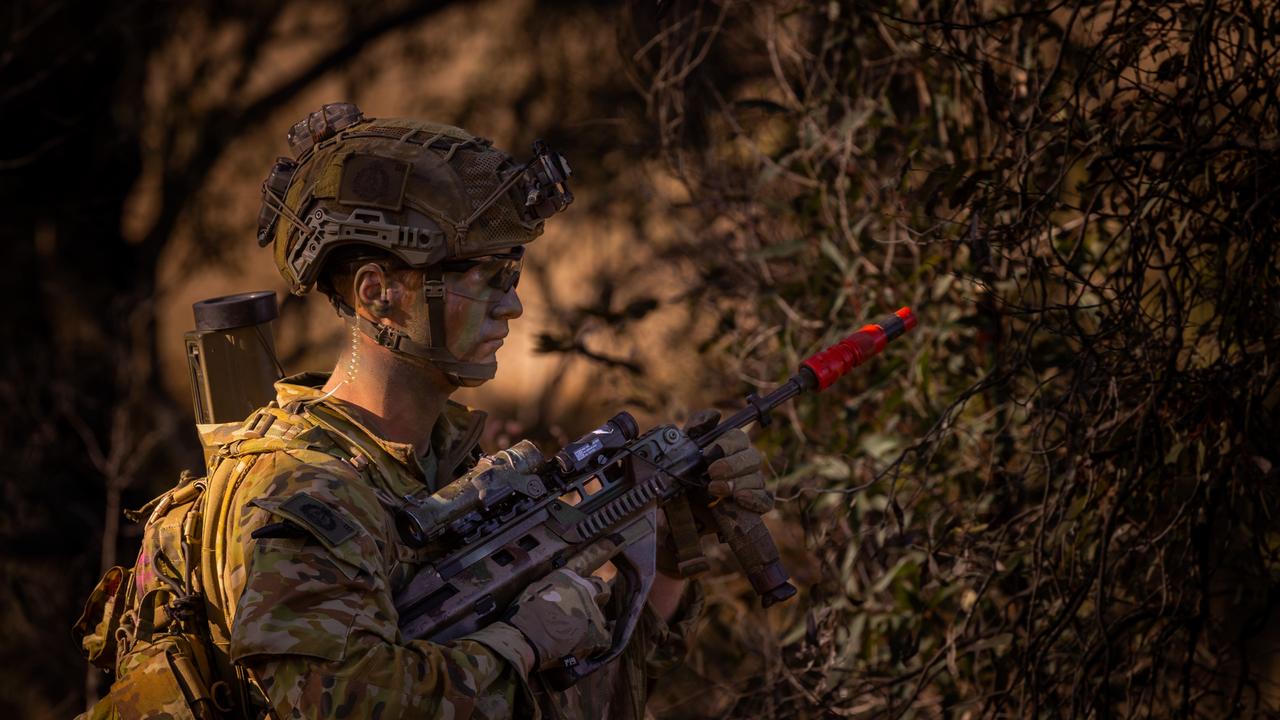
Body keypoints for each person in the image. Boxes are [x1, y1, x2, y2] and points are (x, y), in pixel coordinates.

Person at [84, 102, 775, 719]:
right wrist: (520, 642)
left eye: (514, 274)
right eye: (486, 278)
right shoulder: (304, 494)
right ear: (379, 293)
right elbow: (342, 705)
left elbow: (582, 693)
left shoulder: (446, 464)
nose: (513, 304)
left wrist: (667, 538)